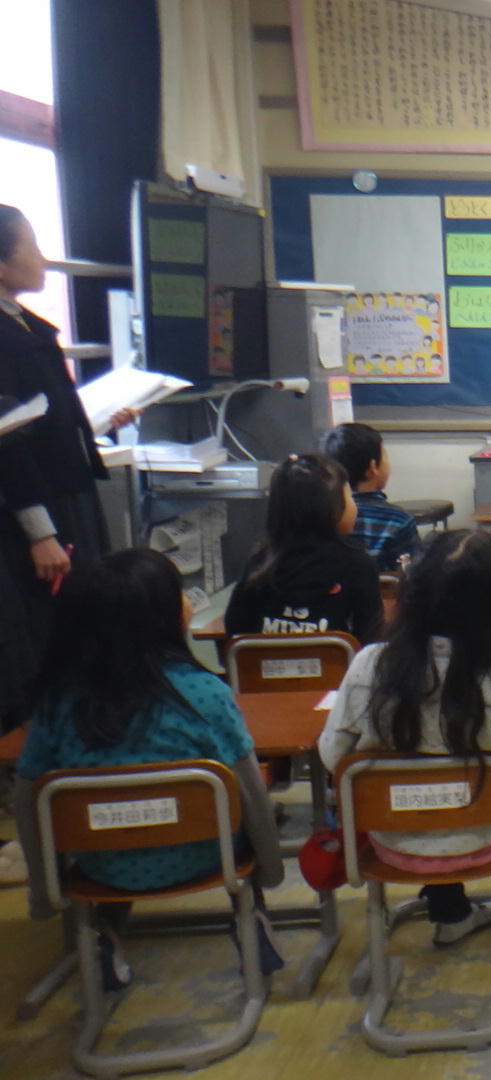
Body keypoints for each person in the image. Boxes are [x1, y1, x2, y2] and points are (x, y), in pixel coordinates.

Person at [12, 550, 285, 988]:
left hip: (103, 865)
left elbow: (27, 797)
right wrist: (270, 869)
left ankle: (103, 934)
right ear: (162, 616)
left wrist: (45, 892)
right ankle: (250, 919)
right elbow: (250, 788)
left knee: (108, 824)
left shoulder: (57, 703)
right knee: (238, 802)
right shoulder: (206, 693)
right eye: (180, 593)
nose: (189, 601)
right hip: (206, 856)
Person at [321, 530, 491, 945]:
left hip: (393, 842)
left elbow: (332, 757)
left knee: (429, 797)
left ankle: (451, 916)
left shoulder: (367, 666)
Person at [0, 205, 136, 717]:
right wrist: (40, 532)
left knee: (90, 615)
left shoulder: (27, 326)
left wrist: (95, 424)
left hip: (69, 491)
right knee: (55, 630)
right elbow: (10, 442)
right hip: (41, 509)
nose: (42, 258)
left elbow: (45, 421)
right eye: (32, 247)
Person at [225, 453, 383, 641]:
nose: (355, 506)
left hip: (265, 662)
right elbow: (371, 637)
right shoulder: (359, 566)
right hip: (334, 662)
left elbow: (235, 628)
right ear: (331, 508)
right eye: (349, 496)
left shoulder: (261, 562)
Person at [322, 422, 420, 572]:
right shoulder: (399, 520)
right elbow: (413, 573)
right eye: (386, 457)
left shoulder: (321, 515)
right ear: (373, 467)